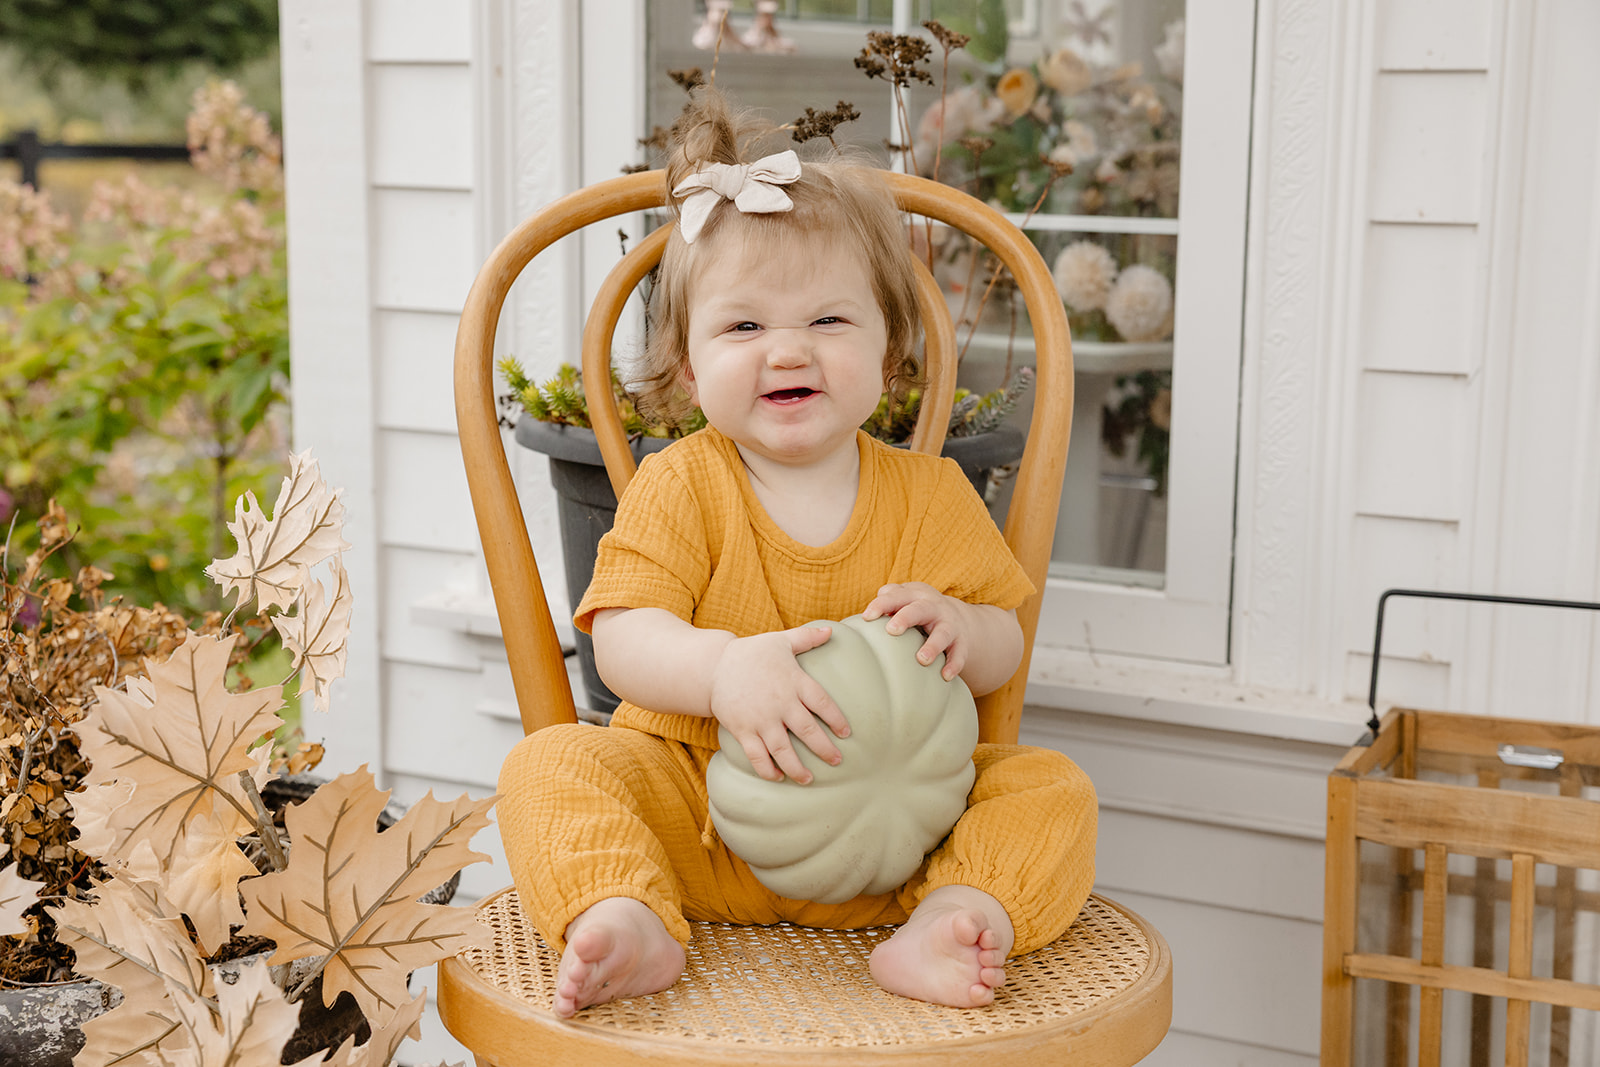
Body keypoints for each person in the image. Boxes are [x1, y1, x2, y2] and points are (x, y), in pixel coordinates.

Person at [496, 87, 1096, 1019]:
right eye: (744, 327)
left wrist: (964, 630)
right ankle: (627, 911)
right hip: (696, 824)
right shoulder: (684, 484)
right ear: (690, 367)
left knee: (1048, 787)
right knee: (549, 765)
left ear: (889, 354)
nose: (787, 353)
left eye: (827, 321)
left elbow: (1005, 647)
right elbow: (620, 639)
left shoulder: (930, 496)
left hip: (903, 837)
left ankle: (953, 916)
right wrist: (725, 668)